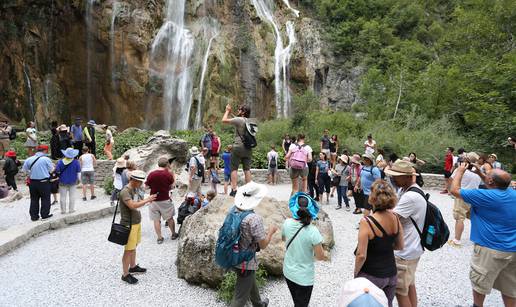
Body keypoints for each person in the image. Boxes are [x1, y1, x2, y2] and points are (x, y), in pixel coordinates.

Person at [450, 164, 516, 307]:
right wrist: (480, 173)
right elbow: (494, 184)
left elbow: (454, 190)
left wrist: (460, 170)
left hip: (490, 250)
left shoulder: (485, 196)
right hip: (512, 250)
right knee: (510, 289)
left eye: (488, 175)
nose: (486, 176)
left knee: (480, 283)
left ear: (491, 181)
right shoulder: (512, 193)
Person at [354, 180, 404, 307]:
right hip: (391, 274)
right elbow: (400, 245)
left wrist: (355, 274)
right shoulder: (395, 218)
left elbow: (361, 255)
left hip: (371, 274)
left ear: (373, 197)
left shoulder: (367, 222)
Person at [384, 160, 426, 307]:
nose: (393, 179)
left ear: (408, 177)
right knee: (409, 285)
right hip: (413, 247)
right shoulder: (410, 190)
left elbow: (391, 219)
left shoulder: (410, 197)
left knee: (400, 291)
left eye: (397, 176)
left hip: (405, 251)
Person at [230, 182, 278, 307]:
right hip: (245, 262)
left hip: (233, 255)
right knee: (239, 299)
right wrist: (271, 232)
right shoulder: (254, 219)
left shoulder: (233, 211)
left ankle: (258, 304)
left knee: (249, 280)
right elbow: (262, 245)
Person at [283, 193, 326, 307]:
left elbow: (284, 238)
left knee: (296, 301)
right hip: (304, 277)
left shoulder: (287, 223)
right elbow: (320, 257)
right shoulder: (313, 231)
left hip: (288, 272)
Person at [119, 170, 157, 284]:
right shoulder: (125, 192)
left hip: (135, 222)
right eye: (140, 182)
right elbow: (132, 205)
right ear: (133, 180)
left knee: (133, 246)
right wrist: (147, 200)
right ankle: (125, 274)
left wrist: (146, 200)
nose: (141, 184)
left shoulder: (134, 189)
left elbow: (137, 202)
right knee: (128, 250)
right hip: (129, 224)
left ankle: (133, 266)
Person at [448, 152, 482, 247]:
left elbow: (451, 180)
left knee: (459, 218)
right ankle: (479, 238)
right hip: (474, 196)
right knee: (474, 218)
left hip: (462, 195)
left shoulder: (461, 170)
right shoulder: (478, 172)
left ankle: (457, 240)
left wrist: (450, 191)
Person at [222, 104, 255, 196]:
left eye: (239, 109)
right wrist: (233, 113)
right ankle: (249, 189)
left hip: (238, 147)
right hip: (248, 147)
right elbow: (237, 119)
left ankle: (234, 190)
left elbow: (224, 120)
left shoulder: (239, 120)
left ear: (243, 112)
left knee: (234, 169)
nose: (238, 110)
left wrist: (227, 111)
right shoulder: (250, 121)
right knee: (247, 169)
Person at [146, 157, 178, 243]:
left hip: (153, 200)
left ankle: (159, 238)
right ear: (167, 164)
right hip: (165, 199)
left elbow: (146, 187)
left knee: (156, 220)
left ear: (158, 164)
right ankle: (173, 234)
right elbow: (172, 187)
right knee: (170, 218)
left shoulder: (151, 174)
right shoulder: (168, 174)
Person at [22, 145, 54, 221]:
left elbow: (24, 171)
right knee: (45, 198)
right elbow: (51, 170)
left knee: (34, 199)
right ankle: (44, 215)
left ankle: (34, 216)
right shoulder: (46, 159)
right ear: (45, 151)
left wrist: (31, 173)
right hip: (44, 182)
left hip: (32, 182)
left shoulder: (29, 159)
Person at [56, 148, 81, 214]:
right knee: (72, 196)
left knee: (62, 196)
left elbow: (57, 171)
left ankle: (63, 211)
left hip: (62, 181)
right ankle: (71, 210)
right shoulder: (76, 162)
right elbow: (79, 172)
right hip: (73, 181)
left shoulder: (60, 162)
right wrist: (79, 180)